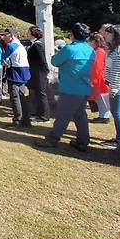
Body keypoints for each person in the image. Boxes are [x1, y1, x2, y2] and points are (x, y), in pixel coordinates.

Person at [35, 23, 95, 151]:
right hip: (84, 88)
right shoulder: (90, 50)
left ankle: (53, 139)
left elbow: (55, 61)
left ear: (72, 34)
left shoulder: (70, 49)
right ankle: (83, 141)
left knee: (63, 115)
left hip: (70, 88)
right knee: (80, 115)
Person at [2, 28, 32, 128]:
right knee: (22, 97)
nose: (3, 37)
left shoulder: (12, 46)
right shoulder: (20, 45)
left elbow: (3, 57)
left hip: (16, 73)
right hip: (23, 72)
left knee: (15, 98)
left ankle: (17, 121)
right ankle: (26, 120)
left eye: (5, 35)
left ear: (11, 36)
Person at [25, 26, 49, 122]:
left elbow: (43, 60)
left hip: (39, 73)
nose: (27, 34)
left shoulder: (37, 45)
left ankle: (45, 116)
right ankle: (39, 113)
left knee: (41, 94)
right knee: (37, 94)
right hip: (35, 72)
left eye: (28, 32)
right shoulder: (33, 44)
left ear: (33, 33)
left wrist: (45, 71)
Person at [87, 32, 110, 125]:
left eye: (90, 41)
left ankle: (104, 116)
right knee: (100, 98)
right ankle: (103, 115)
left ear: (95, 41)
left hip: (99, 78)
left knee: (101, 98)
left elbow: (97, 67)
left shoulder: (99, 52)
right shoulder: (100, 50)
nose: (89, 43)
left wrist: (93, 80)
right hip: (100, 77)